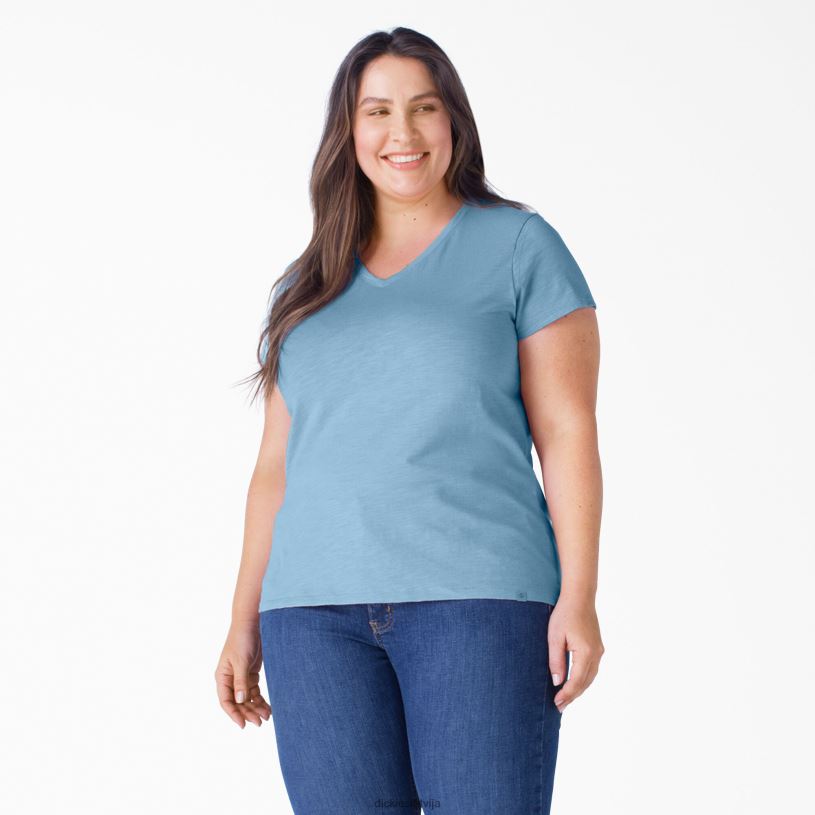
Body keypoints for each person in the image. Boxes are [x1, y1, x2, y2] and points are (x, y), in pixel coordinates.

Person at [215, 26, 604, 815]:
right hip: (310, 617)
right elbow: (275, 466)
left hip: (479, 601)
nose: (403, 132)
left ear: (453, 119)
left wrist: (580, 594)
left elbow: (567, 431)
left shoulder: (520, 246)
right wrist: (241, 617)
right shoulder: (303, 285)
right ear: (348, 130)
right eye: (378, 111)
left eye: (424, 108)